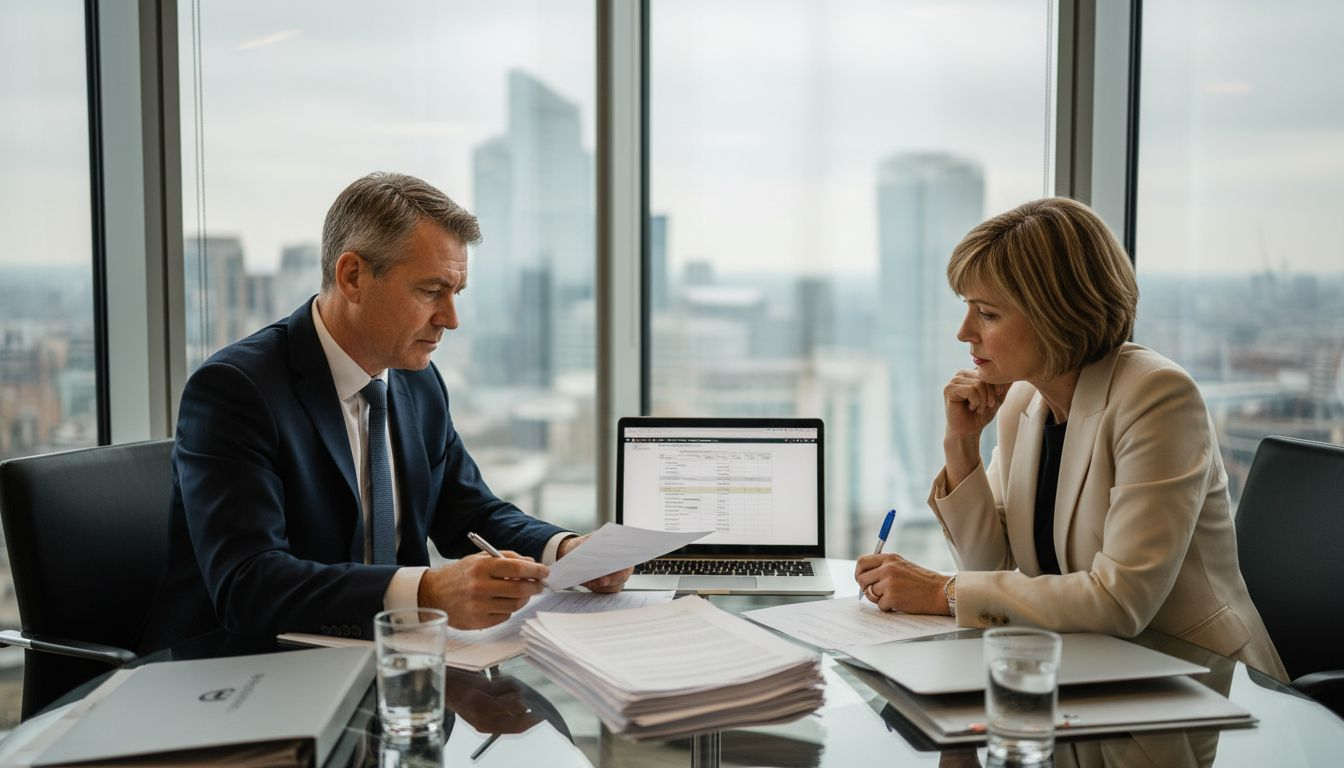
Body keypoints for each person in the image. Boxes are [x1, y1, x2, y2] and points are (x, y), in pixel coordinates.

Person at [140, 172, 629, 652]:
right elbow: (248, 583)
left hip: (393, 661)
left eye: (456, 293)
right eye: (430, 291)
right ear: (353, 276)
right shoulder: (236, 390)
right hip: (244, 671)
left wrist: (564, 550)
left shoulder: (417, 380)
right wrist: (428, 593)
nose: (450, 319)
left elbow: (469, 511)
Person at [854, 197, 1287, 681]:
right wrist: (961, 444)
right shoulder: (1024, 403)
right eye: (967, 309)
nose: (964, 333)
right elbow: (990, 562)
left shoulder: (1157, 397)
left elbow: (1120, 601)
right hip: (1085, 672)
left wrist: (943, 593)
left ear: (1055, 314)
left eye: (988, 314)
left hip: (1194, 683)